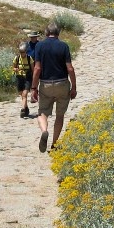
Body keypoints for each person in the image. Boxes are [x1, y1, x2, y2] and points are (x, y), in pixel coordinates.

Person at [30, 23, 77, 153]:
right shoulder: (64, 46)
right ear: (58, 33)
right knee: (60, 115)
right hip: (62, 83)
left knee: (42, 112)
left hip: (46, 84)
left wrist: (34, 88)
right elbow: (70, 69)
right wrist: (73, 87)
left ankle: (44, 131)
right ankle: (55, 144)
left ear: (46, 33)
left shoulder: (39, 46)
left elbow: (37, 68)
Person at [12, 43, 34, 118]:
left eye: (23, 52)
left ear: (26, 51)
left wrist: (34, 80)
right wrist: (16, 69)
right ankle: (26, 108)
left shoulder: (29, 58)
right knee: (21, 94)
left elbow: (33, 69)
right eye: (20, 52)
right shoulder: (17, 58)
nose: (22, 54)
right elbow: (13, 68)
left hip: (27, 78)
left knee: (24, 94)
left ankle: (22, 110)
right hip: (19, 77)